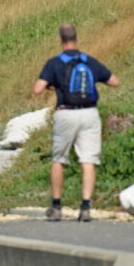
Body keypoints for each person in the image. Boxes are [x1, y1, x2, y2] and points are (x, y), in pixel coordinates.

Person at [33, 23, 120, 222]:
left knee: (59, 159)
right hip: (90, 113)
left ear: (61, 40)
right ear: (76, 38)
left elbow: (37, 89)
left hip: (66, 114)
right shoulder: (88, 61)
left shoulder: (54, 63)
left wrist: (52, 85)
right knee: (88, 160)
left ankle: (56, 206)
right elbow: (114, 81)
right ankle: (86, 206)